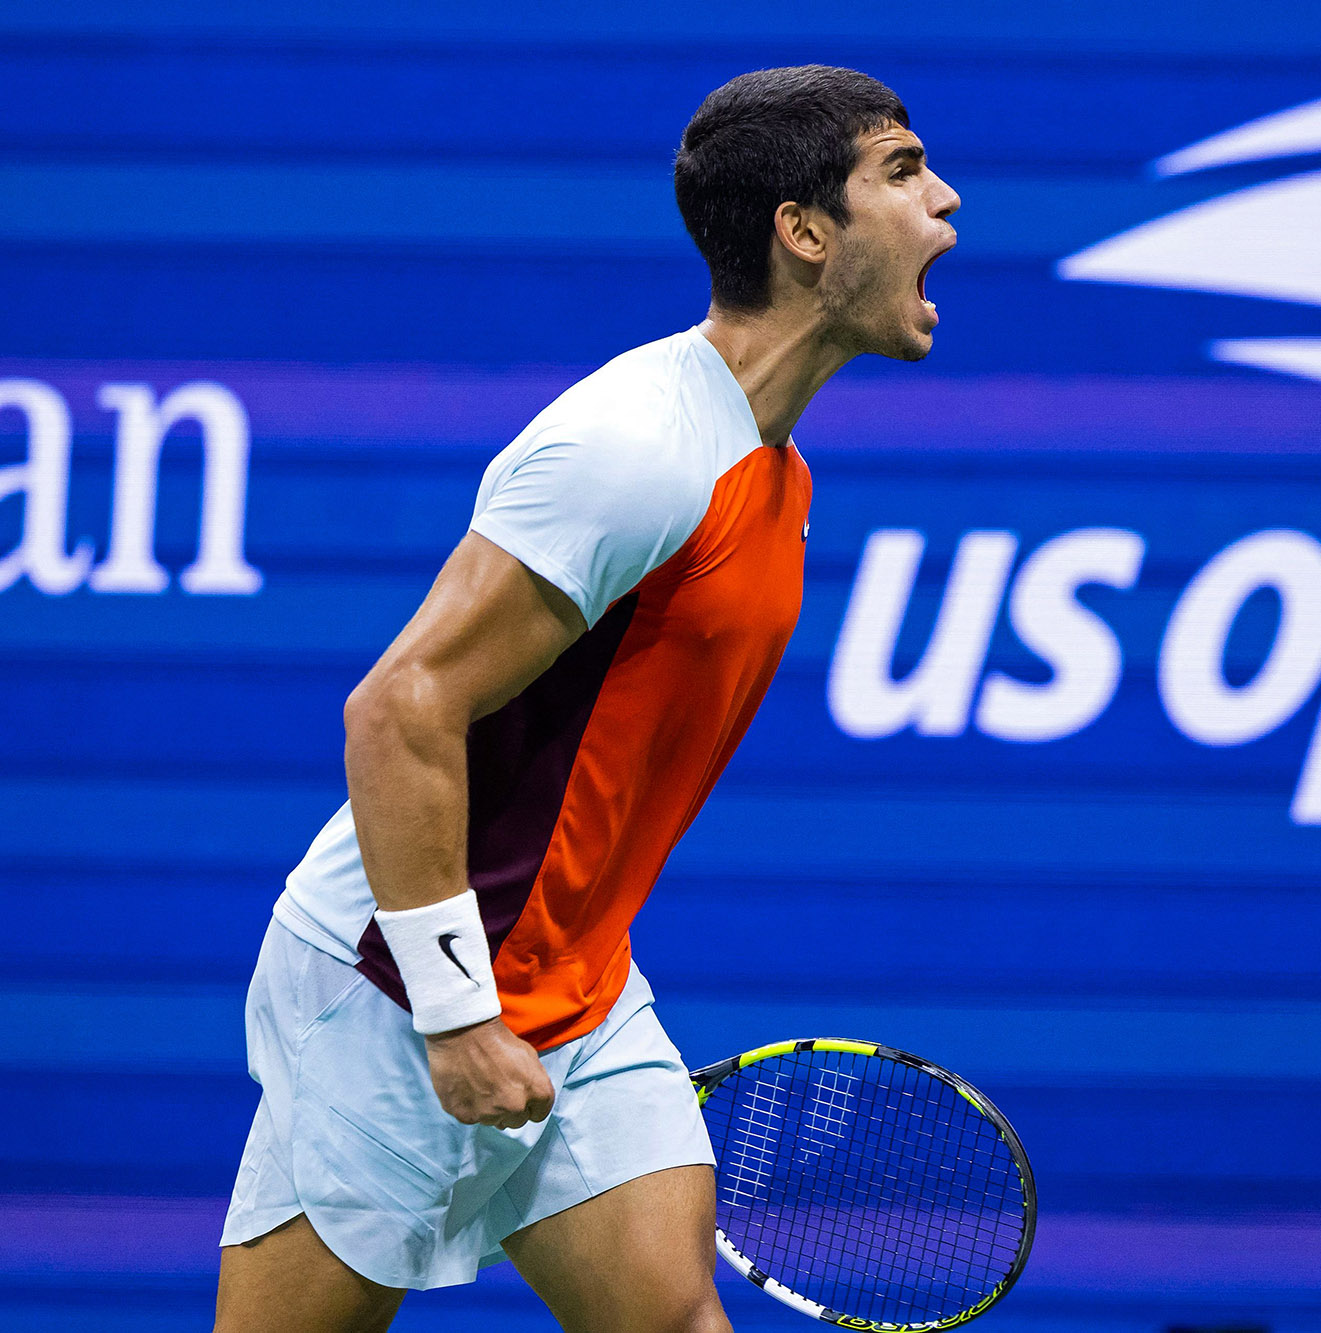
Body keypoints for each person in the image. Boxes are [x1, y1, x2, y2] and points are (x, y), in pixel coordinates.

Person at [213, 65, 960, 1333]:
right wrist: (455, 1014)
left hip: (577, 984)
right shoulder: (634, 448)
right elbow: (397, 708)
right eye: (900, 169)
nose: (943, 201)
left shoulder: (769, 474)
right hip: (399, 981)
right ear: (803, 230)